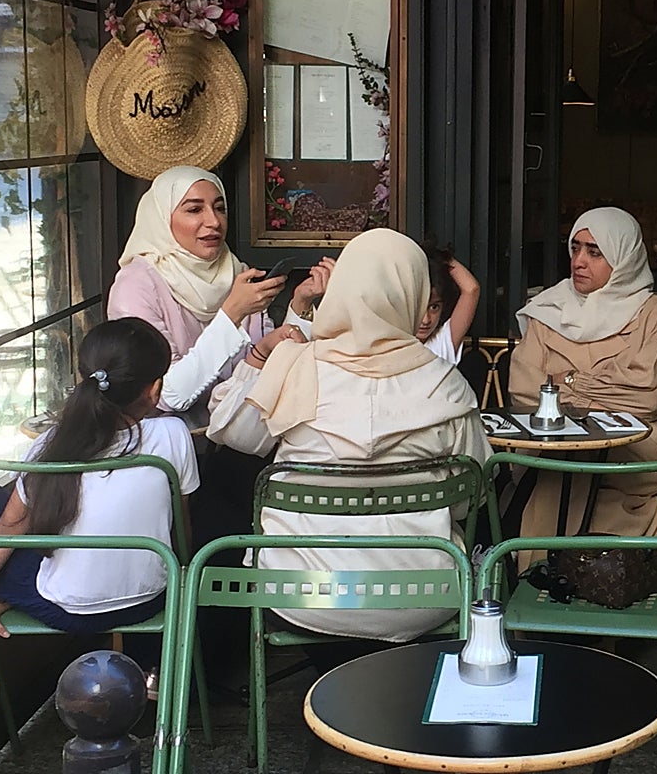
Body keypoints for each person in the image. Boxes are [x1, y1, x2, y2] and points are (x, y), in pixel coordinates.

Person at [207, 229, 492, 641]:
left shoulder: (295, 365)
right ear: (413, 295)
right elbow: (472, 497)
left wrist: (259, 355)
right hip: (425, 596)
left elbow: (233, 433)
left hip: (301, 594)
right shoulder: (445, 382)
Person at [0, 318, 199, 636]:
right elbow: (181, 523)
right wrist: (181, 574)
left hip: (67, 612)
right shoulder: (173, 434)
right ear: (155, 389)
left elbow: (11, 526)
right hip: (151, 598)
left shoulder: (50, 444)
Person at [509, 207, 657, 569]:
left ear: (623, 258)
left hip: (638, 444)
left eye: (594, 252)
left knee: (560, 479)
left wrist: (569, 383)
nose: (579, 261)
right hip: (558, 443)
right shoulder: (549, 308)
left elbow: (648, 397)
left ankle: (545, 581)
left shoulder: (655, 314)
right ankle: (578, 584)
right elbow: (525, 392)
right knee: (560, 471)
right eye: (575, 248)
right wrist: (608, 384)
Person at [106, 165, 323, 427]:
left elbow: (264, 366)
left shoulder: (234, 272)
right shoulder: (136, 285)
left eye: (220, 208)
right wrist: (232, 314)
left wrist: (300, 305)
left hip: (241, 435)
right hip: (173, 448)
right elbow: (166, 395)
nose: (214, 221)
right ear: (162, 219)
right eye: (194, 209)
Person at [416, 246, 481, 365]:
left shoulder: (443, 340)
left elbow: (471, 289)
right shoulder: (390, 341)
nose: (426, 320)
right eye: (419, 307)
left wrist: (439, 258)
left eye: (434, 307)